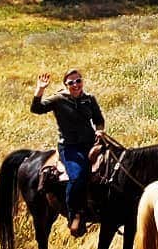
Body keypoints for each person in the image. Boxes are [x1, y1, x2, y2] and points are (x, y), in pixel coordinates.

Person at [32, 69, 106, 236]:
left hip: (91, 143)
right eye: (71, 82)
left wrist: (100, 131)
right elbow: (36, 109)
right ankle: (74, 214)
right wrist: (40, 89)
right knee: (78, 175)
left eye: (78, 81)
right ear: (65, 85)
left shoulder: (89, 99)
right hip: (70, 147)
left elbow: (98, 119)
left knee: (115, 166)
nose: (76, 85)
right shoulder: (59, 99)